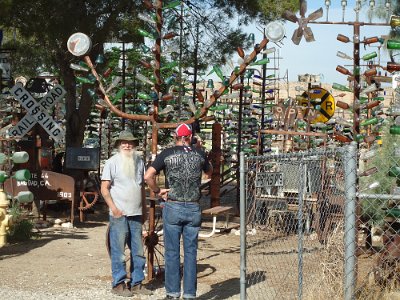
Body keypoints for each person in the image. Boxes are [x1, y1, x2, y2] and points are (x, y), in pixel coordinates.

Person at [144, 123, 213, 300]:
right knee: (191, 253)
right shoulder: (199, 154)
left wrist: (158, 191)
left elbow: (148, 176)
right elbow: (210, 172)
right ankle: (189, 294)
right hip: (192, 206)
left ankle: (173, 293)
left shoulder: (167, 154)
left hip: (173, 205)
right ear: (190, 137)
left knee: (172, 252)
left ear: (176, 136)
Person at [101, 130, 152, 297]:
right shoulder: (111, 162)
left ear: (135, 145)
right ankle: (118, 284)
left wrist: (144, 210)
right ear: (118, 145)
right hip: (119, 215)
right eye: (124, 142)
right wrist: (114, 209)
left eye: (130, 142)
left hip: (136, 214)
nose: (127, 145)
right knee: (119, 252)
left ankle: (137, 283)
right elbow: (104, 188)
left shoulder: (139, 162)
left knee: (138, 251)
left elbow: (141, 188)